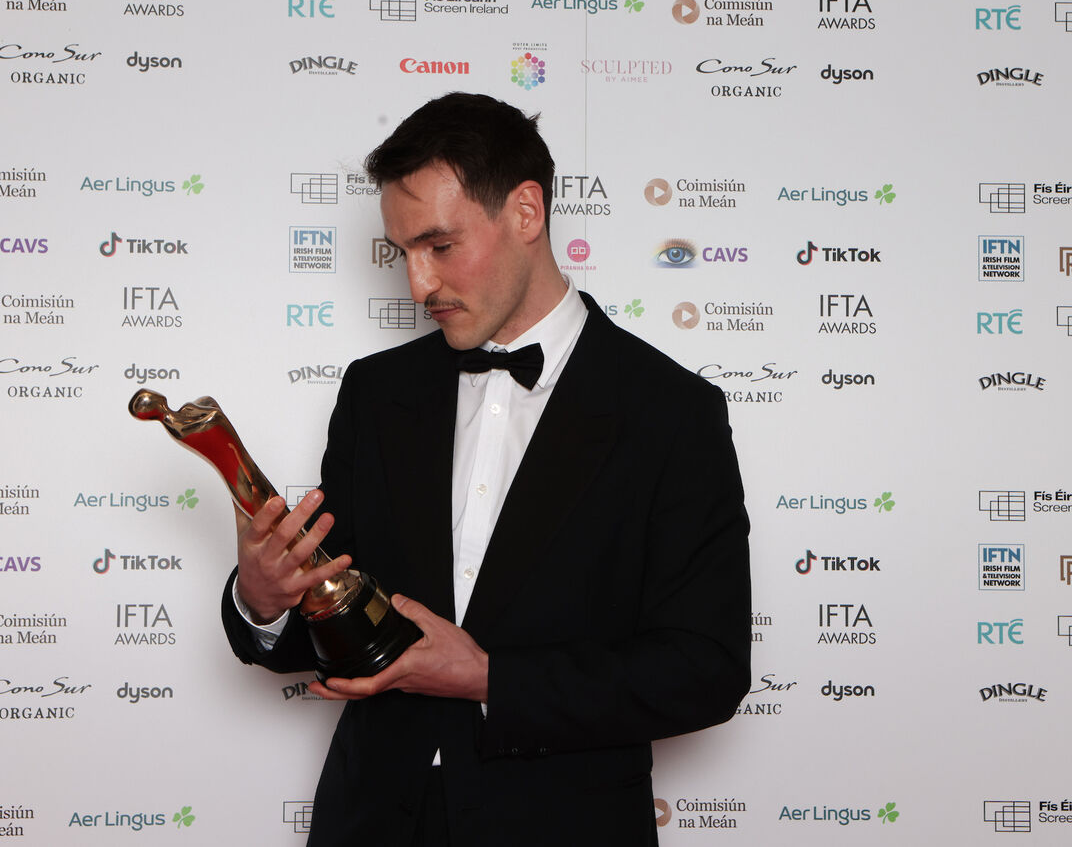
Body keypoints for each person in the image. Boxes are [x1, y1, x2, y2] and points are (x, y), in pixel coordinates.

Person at [220, 92, 750, 846]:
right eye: (401, 253)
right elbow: (346, 631)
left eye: (439, 246)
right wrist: (266, 601)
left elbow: (705, 669)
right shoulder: (375, 393)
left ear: (526, 213)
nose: (417, 286)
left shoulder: (671, 413)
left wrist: (490, 678)